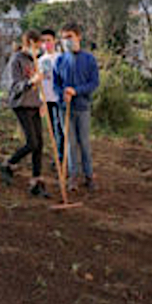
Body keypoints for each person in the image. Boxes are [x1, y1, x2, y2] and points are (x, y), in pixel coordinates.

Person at [0, 30, 50, 198]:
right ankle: (9, 163)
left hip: (35, 104)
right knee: (32, 142)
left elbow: (40, 86)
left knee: (39, 144)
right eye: (35, 46)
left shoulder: (35, 60)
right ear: (27, 44)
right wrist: (30, 82)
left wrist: (42, 101)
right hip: (21, 104)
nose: (37, 50)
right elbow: (14, 87)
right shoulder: (16, 60)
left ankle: (36, 181)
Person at [52, 22, 101, 192]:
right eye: (64, 38)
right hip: (65, 109)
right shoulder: (59, 60)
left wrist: (76, 91)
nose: (66, 41)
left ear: (78, 37)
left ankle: (89, 176)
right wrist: (62, 94)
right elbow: (55, 84)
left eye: (69, 37)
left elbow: (94, 83)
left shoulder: (89, 59)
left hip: (83, 108)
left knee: (84, 143)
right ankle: (73, 176)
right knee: (70, 144)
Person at [37, 28, 64, 164]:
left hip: (59, 99)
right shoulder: (40, 60)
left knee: (60, 129)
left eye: (48, 40)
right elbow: (40, 82)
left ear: (54, 41)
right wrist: (41, 101)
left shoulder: (61, 58)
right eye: (43, 41)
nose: (46, 43)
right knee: (52, 131)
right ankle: (56, 156)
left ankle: (61, 157)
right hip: (46, 99)